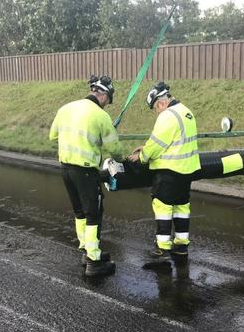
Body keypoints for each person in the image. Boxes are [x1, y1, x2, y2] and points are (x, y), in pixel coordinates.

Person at [49, 75, 123, 276]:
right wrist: (121, 158)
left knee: (80, 212)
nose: (107, 104)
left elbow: (52, 135)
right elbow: (114, 148)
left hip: (66, 169)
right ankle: (94, 262)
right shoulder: (100, 116)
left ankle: (88, 251)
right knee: (94, 213)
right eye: (108, 100)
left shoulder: (65, 109)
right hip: (86, 172)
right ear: (104, 95)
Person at [128, 81, 200, 262]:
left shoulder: (167, 116)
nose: (156, 112)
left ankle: (162, 250)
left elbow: (157, 145)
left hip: (169, 171)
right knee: (181, 207)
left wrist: (142, 156)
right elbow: (175, 140)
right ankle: (181, 246)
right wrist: (147, 147)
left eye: (155, 108)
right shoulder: (186, 111)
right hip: (186, 169)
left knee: (163, 207)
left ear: (160, 103)